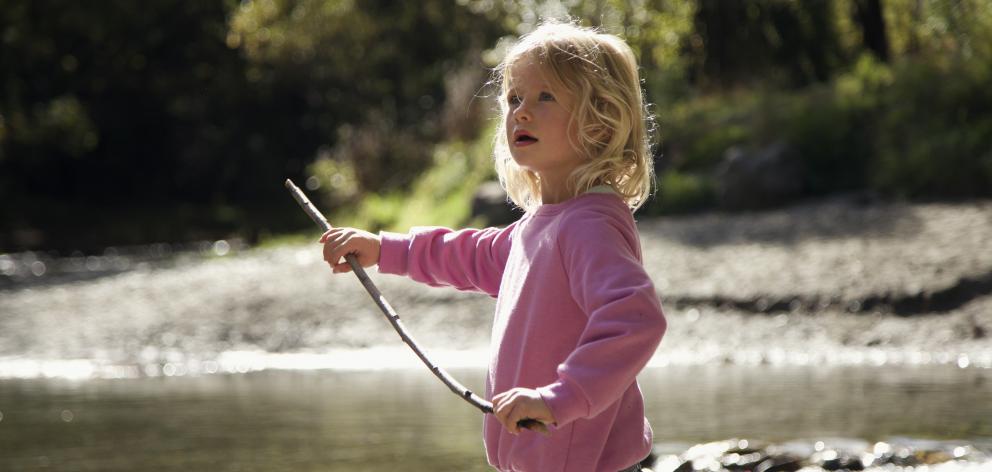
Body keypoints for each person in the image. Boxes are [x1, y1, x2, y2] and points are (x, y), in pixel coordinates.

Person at [319, 20, 666, 472]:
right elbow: (471, 255)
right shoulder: (541, 225)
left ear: (599, 124)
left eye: (546, 97)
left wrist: (560, 398)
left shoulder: (588, 227)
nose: (521, 112)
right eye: (515, 98)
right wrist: (385, 249)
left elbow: (634, 319)